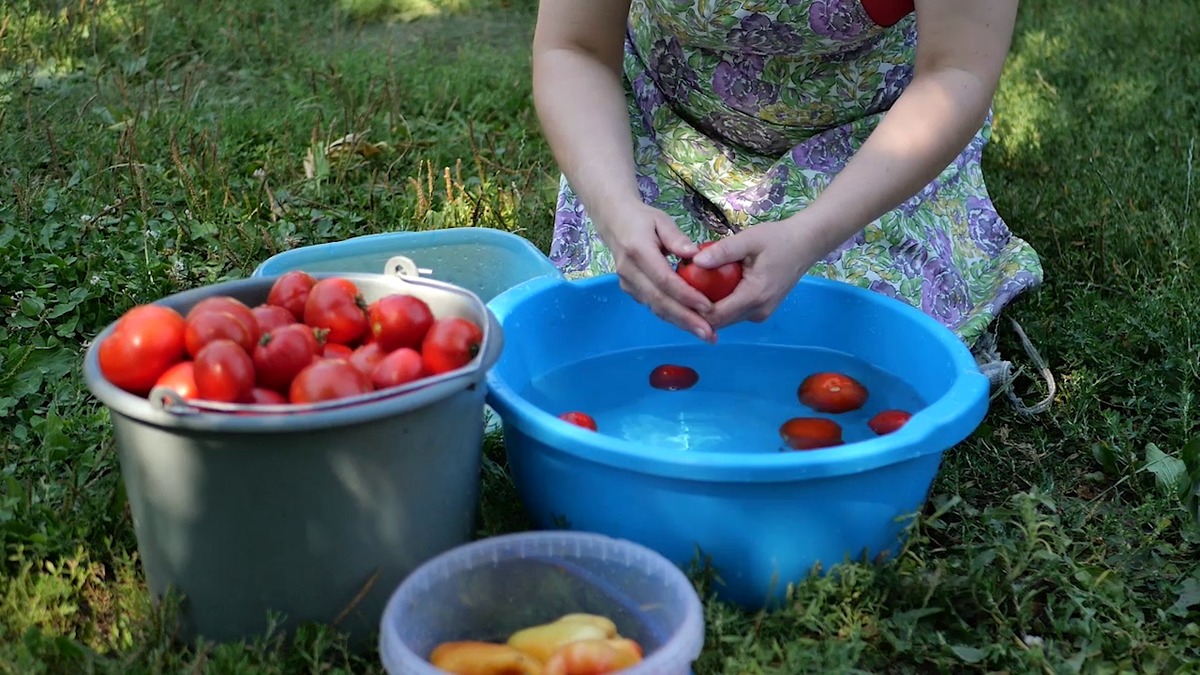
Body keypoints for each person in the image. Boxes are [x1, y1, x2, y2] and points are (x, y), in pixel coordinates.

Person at [531, 0, 1044, 358]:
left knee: (844, 335)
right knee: (624, 323)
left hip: (872, 146)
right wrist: (616, 208)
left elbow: (956, 72)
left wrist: (810, 235)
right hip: (663, 126)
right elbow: (575, 48)